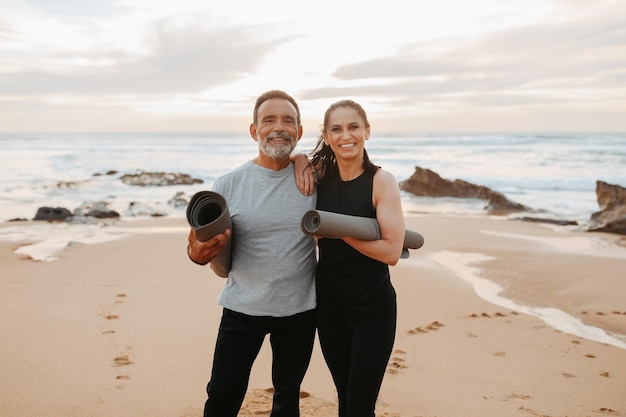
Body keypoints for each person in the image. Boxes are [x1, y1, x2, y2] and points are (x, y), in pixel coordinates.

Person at [186, 90, 318, 417]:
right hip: (242, 308)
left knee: (287, 402)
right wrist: (199, 253)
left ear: (299, 132)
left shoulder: (315, 182)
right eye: (269, 120)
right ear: (253, 130)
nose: (279, 127)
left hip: (299, 311)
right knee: (222, 395)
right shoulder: (228, 184)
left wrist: (304, 160)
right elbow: (195, 246)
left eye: (289, 121)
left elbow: (349, 161)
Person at [307, 100, 405, 417]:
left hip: (372, 310)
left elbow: (392, 251)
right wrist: (297, 160)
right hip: (329, 309)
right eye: (336, 128)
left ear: (366, 131)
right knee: (345, 401)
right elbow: (292, 169)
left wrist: (340, 231)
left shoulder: (381, 181)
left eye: (353, 127)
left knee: (361, 407)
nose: (345, 135)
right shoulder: (319, 178)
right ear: (326, 135)